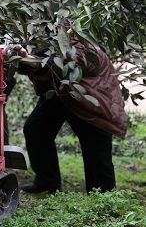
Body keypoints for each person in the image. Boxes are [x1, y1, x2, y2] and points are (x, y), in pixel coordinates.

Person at [15, 38, 128, 194]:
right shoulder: (46, 40)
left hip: (91, 99)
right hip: (61, 94)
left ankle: (103, 195)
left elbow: (69, 64)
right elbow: (40, 63)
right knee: (36, 129)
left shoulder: (83, 44)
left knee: (95, 146)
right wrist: (23, 58)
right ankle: (47, 183)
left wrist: (34, 61)